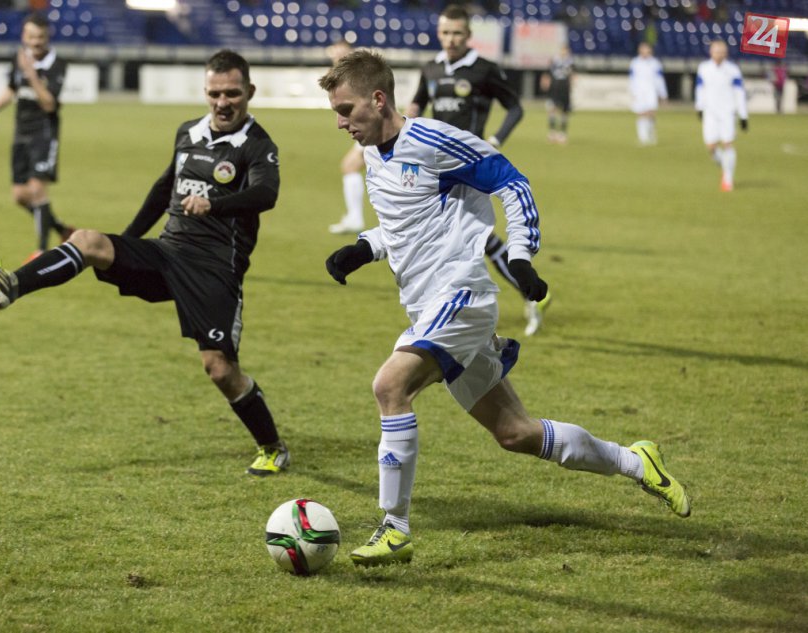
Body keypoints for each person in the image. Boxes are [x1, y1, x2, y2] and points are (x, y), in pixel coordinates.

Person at [318, 50, 690, 567]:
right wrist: (363, 248)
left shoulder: (434, 140)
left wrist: (520, 256)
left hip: (461, 298)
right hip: (427, 307)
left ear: (378, 99)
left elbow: (512, 181)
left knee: (390, 386)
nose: (340, 122)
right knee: (516, 433)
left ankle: (394, 527)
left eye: (346, 109)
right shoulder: (376, 156)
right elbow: (408, 225)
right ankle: (636, 460)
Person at [0, 50, 290, 477]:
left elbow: (267, 194)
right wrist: (128, 241)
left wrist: (215, 204)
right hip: (167, 252)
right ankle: (10, 286)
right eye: (214, 93)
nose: (222, 102)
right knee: (88, 242)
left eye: (232, 93)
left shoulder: (257, 144)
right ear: (205, 91)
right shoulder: (188, 132)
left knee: (219, 369)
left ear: (250, 92)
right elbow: (163, 189)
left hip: (214, 270)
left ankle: (272, 447)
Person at [407, 3, 550, 337]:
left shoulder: (484, 69)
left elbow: (515, 108)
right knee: (469, 237)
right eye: (445, 32)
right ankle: (526, 293)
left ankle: (452, 310)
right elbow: (416, 105)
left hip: (470, 167)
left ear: (468, 34)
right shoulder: (431, 68)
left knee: (458, 235)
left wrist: (495, 140)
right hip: (435, 169)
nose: (450, 39)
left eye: (457, 33)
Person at [0, 12, 74, 261]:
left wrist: (31, 74)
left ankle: (42, 251)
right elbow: (12, 88)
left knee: (37, 190)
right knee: (20, 196)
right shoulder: (19, 58)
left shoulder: (57, 64)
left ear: (48, 36)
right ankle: (62, 230)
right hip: (21, 132)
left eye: (40, 37)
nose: (35, 42)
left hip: (44, 133)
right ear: (24, 35)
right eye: (31, 37)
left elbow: (49, 104)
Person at [694, 40, 748, 192]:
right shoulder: (704, 68)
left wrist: (743, 114)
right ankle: (725, 167)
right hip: (710, 112)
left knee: (727, 143)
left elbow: (739, 92)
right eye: (716, 51)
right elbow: (700, 89)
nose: (719, 54)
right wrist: (699, 107)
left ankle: (728, 179)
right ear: (711, 52)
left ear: (726, 53)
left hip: (727, 113)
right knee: (711, 146)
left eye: (722, 51)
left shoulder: (732, 70)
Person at [326, 39, 367, 235]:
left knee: (350, 166)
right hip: (367, 127)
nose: (338, 56)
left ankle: (356, 218)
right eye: (336, 53)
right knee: (350, 166)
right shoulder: (346, 74)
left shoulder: (357, 73)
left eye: (342, 53)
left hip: (371, 127)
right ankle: (354, 217)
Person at [629, 42, 667, 146]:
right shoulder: (635, 63)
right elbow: (632, 79)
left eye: (647, 49)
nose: (645, 51)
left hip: (651, 91)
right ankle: (642, 138)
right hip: (639, 92)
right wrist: (632, 91)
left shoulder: (655, 63)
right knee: (641, 113)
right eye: (643, 49)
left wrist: (663, 93)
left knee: (650, 113)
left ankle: (651, 134)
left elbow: (659, 79)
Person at [541, 45, 574, 144]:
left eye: (566, 51)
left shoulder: (570, 62)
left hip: (565, 89)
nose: (564, 52)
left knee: (564, 111)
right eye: (563, 50)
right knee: (552, 109)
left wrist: (571, 85)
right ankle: (552, 132)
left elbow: (572, 75)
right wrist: (545, 82)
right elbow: (547, 73)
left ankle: (562, 134)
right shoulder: (554, 61)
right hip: (554, 88)